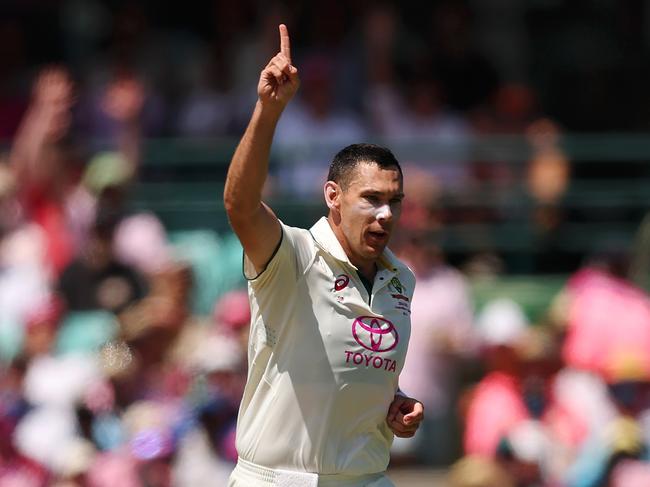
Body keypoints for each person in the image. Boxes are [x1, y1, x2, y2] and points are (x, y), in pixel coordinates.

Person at [223, 24, 424, 487]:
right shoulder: (292, 255)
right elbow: (240, 205)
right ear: (333, 195)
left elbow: (353, 369)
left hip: (368, 478)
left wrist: (394, 405)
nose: (386, 214)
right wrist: (268, 112)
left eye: (395, 201)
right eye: (371, 199)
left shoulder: (401, 280)